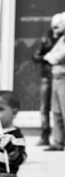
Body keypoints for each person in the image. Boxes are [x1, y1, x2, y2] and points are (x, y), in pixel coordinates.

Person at [32, 15, 58, 146]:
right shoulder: (46, 38)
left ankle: (60, 138)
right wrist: (45, 57)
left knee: (59, 109)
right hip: (46, 77)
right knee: (44, 107)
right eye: (55, 25)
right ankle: (45, 135)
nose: (57, 28)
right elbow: (35, 56)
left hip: (59, 76)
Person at [44, 13, 65, 152]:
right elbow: (50, 54)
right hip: (56, 78)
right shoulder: (61, 39)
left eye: (57, 27)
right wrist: (51, 57)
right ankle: (58, 141)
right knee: (56, 111)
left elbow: (56, 57)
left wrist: (51, 57)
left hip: (63, 78)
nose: (54, 31)